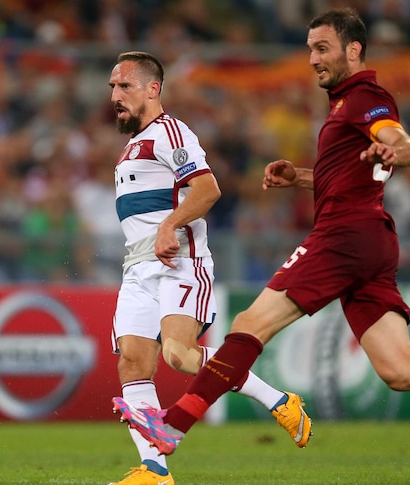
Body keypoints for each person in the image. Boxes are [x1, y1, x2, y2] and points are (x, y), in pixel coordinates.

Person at [111, 9, 410, 457]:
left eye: (322, 48)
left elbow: (401, 143)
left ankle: (172, 427)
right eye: (311, 48)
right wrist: (300, 178)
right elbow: (351, 171)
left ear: (354, 50)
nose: (313, 58)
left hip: (344, 237)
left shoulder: (364, 99)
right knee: (402, 371)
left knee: (250, 325)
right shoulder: (343, 108)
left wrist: (398, 153)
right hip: (370, 240)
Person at [106, 51, 310, 485]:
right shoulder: (129, 147)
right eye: (112, 87)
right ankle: (155, 471)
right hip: (137, 268)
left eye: (124, 86)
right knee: (132, 364)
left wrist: (169, 226)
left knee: (179, 355)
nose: (115, 96)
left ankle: (279, 401)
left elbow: (208, 189)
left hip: (179, 260)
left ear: (152, 89)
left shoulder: (171, 133)